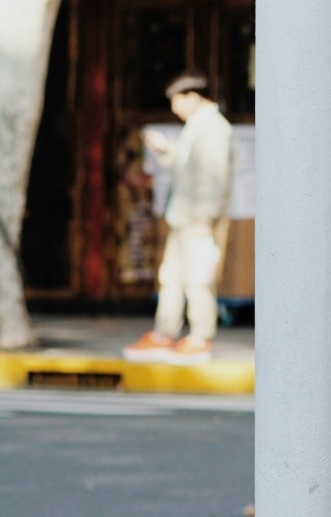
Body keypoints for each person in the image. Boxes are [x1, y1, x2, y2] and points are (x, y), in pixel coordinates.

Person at [123, 73, 233, 365]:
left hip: (197, 218)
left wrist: (205, 217)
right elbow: (190, 169)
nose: (174, 108)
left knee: (198, 278)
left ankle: (200, 337)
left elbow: (215, 177)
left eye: (177, 101)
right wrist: (166, 151)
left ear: (194, 97)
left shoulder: (214, 129)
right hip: (184, 216)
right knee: (171, 278)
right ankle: (164, 334)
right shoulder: (197, 127)